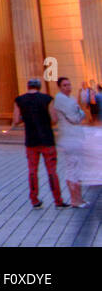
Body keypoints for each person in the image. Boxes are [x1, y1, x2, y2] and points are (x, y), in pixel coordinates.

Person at [12, 78, 66, 208]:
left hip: (31, 140)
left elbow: (16, 120)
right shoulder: (47, 99)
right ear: (39, 87)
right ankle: (58, 200)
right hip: (47, 139)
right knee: (52, 171)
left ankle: (34, 199)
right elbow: (54, 119)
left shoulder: (19, 100)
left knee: (32, 171)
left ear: (28, 86)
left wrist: (26, 117)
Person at [51, 77, 102, 207]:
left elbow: (79, 112)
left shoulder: (70, 99)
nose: (68, 87)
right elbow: (76, 117)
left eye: (69, 84)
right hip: (69, 139)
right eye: (64, 85)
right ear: (60, 87)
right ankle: (75, 200)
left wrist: (79, 113)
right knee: (72, 169)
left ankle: (79, 198)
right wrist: (80, 113)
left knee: (77, 168)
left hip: (75, 138)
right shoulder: (61, 99)